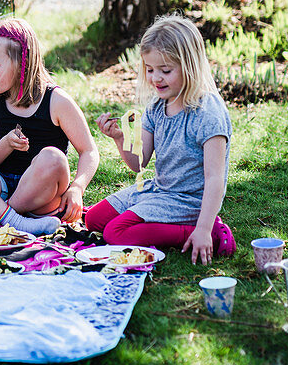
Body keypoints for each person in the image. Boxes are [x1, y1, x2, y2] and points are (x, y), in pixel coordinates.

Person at [85, 15, 236, 265]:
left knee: (115, 233)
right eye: (150, 69)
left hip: (190, 201)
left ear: (190, 66)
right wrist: (119, 137)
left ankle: (208, 233)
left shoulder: (208, 114)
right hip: (160, 190)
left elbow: (215, 179)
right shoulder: (158, 105)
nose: (156, 78)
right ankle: (168, 224)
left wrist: (202, 227)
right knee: (94, 220)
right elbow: (138, 163)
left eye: (165, 71)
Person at [0, 18, 99, 235]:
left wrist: (77, 188)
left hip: (41, 198)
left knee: (53, 157)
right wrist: (5, 144)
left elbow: (89, 151)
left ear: (23, 63)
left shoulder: (57, 100)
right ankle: (13, 220)